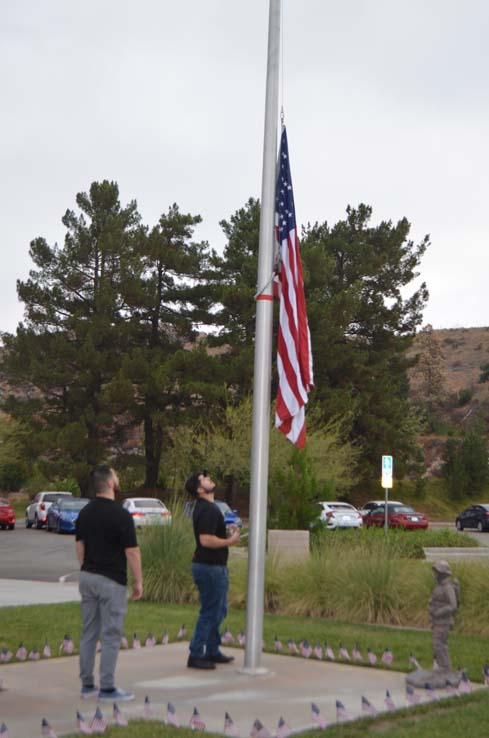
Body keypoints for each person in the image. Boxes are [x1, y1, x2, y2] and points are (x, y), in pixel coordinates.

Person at [75, 465, 143, 701]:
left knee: (89, 632)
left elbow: (80, 546)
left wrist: (87, 568)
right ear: (111, 483)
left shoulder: (85, 513)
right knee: (112, 634)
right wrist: (138, 582)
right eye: (117, 474)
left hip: (87, 577)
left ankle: (87, 685)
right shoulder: (121, 515)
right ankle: (107, 688)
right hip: (112, 580)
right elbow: (132, 552)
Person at [185, 469, 240, 669]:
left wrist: (228, 533)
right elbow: (205, 540)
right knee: (210, 611)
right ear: (200, 489)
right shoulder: (207, 509)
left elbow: (209, 534)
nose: (209, 479)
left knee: (219, 609)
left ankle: (213, 650)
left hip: (212, 567)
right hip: (209, 568)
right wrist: (230, 540)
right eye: (204, 479)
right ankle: (196, 653)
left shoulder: (207, 508)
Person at [428, 560, 459, 672]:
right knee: (440, 644)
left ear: (443, 573)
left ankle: (445, 668)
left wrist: (439, 612)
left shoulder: (447, 587)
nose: (435, 574)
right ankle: (444, 667)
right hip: (437, 621)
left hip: (443, 621)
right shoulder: (440, 585)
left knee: (438, 644)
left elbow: (453, 605)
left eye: (437, 572)